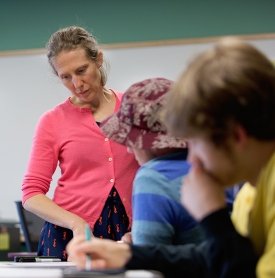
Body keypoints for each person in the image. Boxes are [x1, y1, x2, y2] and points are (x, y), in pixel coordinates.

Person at [66, 38, 275, 278]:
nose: (192, 158)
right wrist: (129, 256)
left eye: (195, 143)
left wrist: (213, 216)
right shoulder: (250, 187)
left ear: (236, 137)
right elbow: (219, 257)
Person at [21, 26, 139, 260]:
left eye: (82, 70)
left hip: (131, 232)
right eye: (66, 77)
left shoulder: (133, 107)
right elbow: (31, 194)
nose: (77, 83)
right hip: (68, 236)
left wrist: (150, 222)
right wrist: (76, 223)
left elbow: (159, 167)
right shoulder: (52, 121)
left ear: (98, 60)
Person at [100, 77, 204, 245]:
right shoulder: (211, 166)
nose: (128, 149)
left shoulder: (153, 178)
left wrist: (128, 251)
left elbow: (148, 260)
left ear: (151, 143)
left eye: (132, 141)